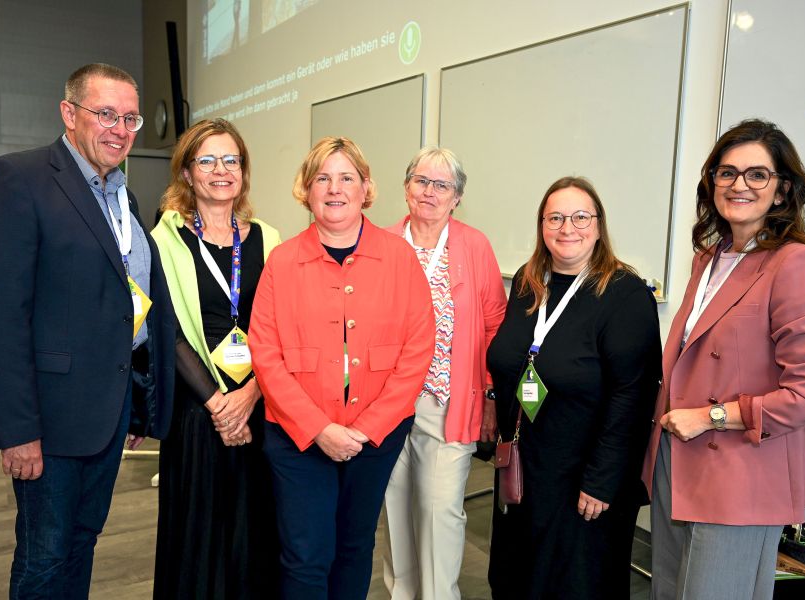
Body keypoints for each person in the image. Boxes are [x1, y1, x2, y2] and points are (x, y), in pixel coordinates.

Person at [0, 63, 175, 598]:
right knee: (44, 556)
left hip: (105, 414)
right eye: (105, 114)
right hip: (49, 419)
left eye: (130, 118)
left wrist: (133, 401)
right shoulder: (17, 178)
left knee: (82, 544)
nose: (120, 129)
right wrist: (17, 430)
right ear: (69, 113)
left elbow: (123, 306)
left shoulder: (122, 197)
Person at [643, 119, 805, 600]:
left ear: (782, 189)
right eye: (726, 173)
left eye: (757, 174)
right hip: (677, 460)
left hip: (742, 472)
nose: (739, 185)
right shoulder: (708, 258)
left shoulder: (796, 263)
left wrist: (711, 417)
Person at [248, 136, 434, 600]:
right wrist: (317, 428)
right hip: (296, 438)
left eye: (346, 177)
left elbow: (417, 352)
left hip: (375, 436)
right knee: (305, 555)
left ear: (366, 188)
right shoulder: (282, 261)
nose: (335, 189)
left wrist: (368, 428)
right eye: (322, 179)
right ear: (306, 190)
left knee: (354, 547)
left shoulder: (400, 257)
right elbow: (265, 354)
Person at [486, 176, 662, 599]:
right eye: (556, 217)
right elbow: (513, 363)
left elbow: (633, 398)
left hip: (584, 479)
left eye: (581, 216)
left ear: (599, 226)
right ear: (542, 226)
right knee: (516, 579)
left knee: (573, 583)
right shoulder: (530, 285)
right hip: (525, 468)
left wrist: (602, 481)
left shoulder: (625, 294)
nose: (568, 228)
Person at [151, 118, 281, 599]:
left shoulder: (269, 239)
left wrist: (249, 396)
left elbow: (286, 328)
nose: (220, 170)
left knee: (256, 535)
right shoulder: (163, 240)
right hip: (196, 412)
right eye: (206, 160)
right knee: (199, 537)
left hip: (263, 406)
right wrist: (221, 406)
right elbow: (166, 330)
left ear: (244, 172)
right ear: (186, 173)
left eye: (231, 160)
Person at [382, 147, 506, 600]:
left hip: (448, 402)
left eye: (441, 185)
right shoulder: (384, 241)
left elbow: (495, 325)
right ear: (406, 186)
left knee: (440, 510)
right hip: (387, 404)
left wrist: (491, 394)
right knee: (396, 507)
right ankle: (401, 594)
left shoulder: (474, 245)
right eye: (421, 180)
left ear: (457, 197)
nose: (429, 192)